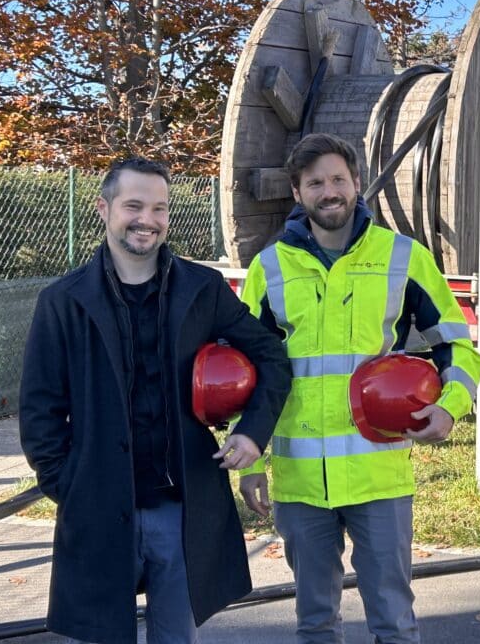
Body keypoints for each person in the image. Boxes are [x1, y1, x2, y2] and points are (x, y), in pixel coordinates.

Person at [19, 157, 292, 644]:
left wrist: (252, 432)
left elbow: (271, 355)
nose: (147, 218)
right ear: (104, 210)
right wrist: (68, 484)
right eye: (134, 205)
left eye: (159, 208)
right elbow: (40, 409)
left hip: (181, 509)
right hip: (97, 507)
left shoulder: (202, 289)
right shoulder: (63, 301)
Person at [238, 133, 480, 644]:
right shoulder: (269, 268)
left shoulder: (403, 257)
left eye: (338, 179)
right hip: (300, 482)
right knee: (315, 622)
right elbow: (249, 375)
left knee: (393, 621)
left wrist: (451, 407)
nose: (329, 191)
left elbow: (457, 346)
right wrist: (254, 459)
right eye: (315, 183)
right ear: (297, 192)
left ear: (356, 183)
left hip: (379, 476)